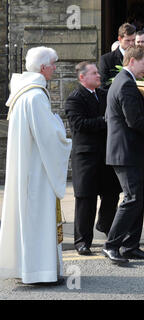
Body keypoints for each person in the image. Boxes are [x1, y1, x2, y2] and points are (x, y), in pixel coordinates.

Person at [0, 46, 72, 285]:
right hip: (38, 171)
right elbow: (49, 136)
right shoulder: (36, 96)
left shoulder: (24, 93)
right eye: (53, 64)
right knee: (38, 217)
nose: (54, 68)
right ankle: (41, 272)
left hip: (30, 166)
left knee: (30, 217)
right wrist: (63, 133)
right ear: (43, 67)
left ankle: (32, 268)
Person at [103, 46, 144, 265]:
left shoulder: (121, 81)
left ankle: (131, 246)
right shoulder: (127, 85)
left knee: (137, 200)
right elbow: (134, 121)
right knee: (131, 200)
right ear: (132, 61)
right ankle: (112, 245)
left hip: (127, 151)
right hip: (126, 152)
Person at [64, 61, 122, 256]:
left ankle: (104, 224)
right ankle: (82, 241)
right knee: (86, 200)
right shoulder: (75, 99)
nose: (99, 76)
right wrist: (105, 121)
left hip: (107, 155)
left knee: (112, 193)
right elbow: (79, 124)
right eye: (94, 73)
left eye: (98, 73)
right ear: (83, 77)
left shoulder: (105, 95)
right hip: (86, 157)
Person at [99, 23, 136, 89]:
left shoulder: (140, 57)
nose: (131, 44)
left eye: (133, 40)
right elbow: (104, 86)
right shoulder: (106, 59)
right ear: (119, 39)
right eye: (127, 40)